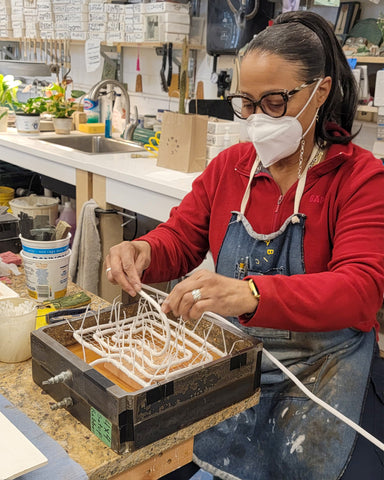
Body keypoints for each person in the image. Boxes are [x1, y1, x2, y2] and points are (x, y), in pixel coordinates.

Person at [104, 11, 384, 480]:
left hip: (326, 374)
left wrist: (252, 294)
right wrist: (145, 250)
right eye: (246, 103)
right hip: (236, 363)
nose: (256, 120)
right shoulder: (231, 167)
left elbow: (361, 288)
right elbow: (180, 237)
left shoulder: (360, 178)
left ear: (321, 91)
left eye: (274, 102)